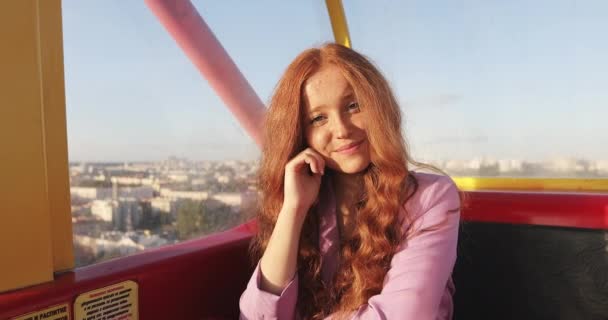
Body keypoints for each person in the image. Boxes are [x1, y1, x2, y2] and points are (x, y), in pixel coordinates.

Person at [239, 43, 461, 320]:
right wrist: (294, 210)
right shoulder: (309, 204)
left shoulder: (431, 197)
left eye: (353, 106)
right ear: (300, 134)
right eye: (318, 118)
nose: (342, 130)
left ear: (379, 107)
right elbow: (256, 314)